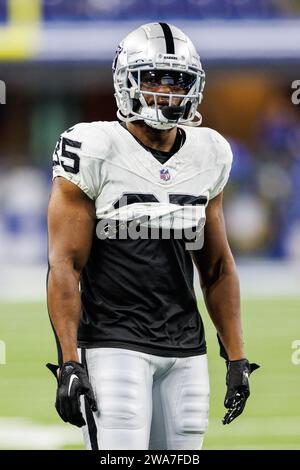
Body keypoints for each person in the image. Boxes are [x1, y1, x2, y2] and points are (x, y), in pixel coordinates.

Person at [46, 22, 259, 450]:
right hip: (112, 344)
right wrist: (70, 361)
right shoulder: (93, 146)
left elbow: (216, 267)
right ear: (126, 82)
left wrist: (236, 355)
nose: (167, 90)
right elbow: (65, 265)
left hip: (186, 348)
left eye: (178, 80)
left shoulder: (210, 151)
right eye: (153, 78)